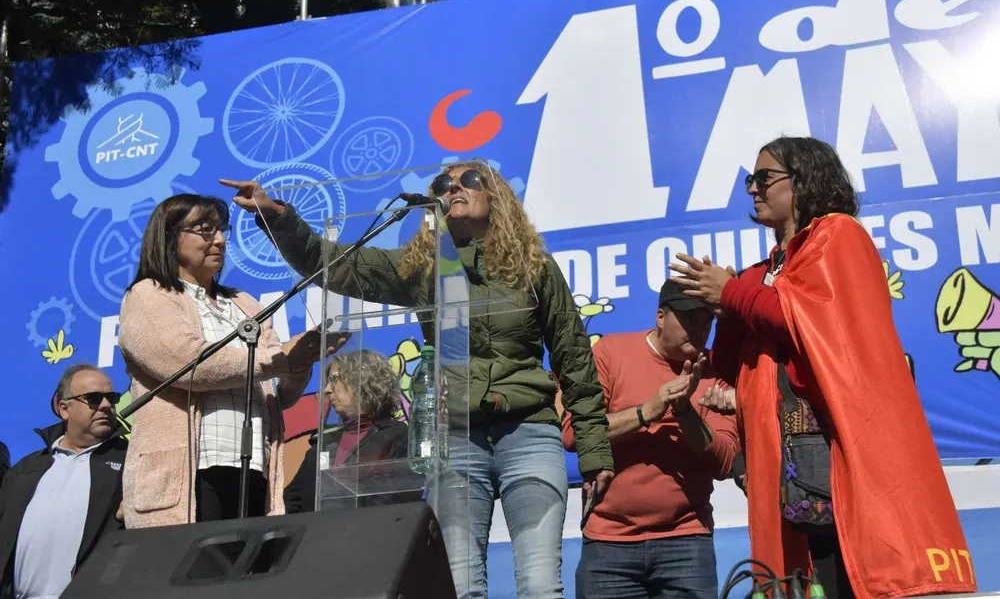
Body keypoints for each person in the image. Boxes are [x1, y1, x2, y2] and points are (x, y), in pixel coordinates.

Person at [222, 163, 614, 599]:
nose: (455, 188)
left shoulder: (533, 265)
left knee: (540, 585)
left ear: (496, 196)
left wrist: (595, 454)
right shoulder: (422, 269)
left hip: (528, 432)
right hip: (456, 440)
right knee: (462, 587)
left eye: (469, 180)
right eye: (444, 185)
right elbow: (329, 262)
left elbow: (574, 355)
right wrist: (276, 214)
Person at [669, 137, 975, 599]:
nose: (753, 189)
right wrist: (723, 306)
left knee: (847, 574)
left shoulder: (838, 235)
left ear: (804, 180)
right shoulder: (759, 274)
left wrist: (732, 294)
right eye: (750, 180)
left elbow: (812, 321)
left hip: (838, 455)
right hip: (786, 468)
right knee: (800, 582)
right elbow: (733, 363)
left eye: (764, 178)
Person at [116, 193, 339, 528]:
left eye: (221, 230)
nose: (219, 240)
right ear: (170, 236)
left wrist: (300, 361)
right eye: (206, 230)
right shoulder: (148, 294)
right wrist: (280, 360)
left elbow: (282, 395)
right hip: (191, 473)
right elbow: (189, 364)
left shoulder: (245, 303)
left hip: (253, 466)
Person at [562, 280, 739, 599]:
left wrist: (685, 412)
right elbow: (575, 433)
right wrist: (649, 411)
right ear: (661, 317)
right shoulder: (610, 352)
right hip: (608, 543)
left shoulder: (714, 370)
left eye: (706, 321)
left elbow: (725, 461)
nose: (699, 329)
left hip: (687, 542)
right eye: (689, 318)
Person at [0, 364, 128, 599]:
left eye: (112, 398)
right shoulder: (25, 470)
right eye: (93, 398)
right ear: (64, 408)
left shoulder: (132, 462)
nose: (106, 405)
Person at [284, 349, 422, 512]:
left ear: (362, 381)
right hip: (318, 534)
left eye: (334, 379)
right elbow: (292, 498)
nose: (327, 389)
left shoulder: (399, 436)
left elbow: (401, 496)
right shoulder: (322, 444)